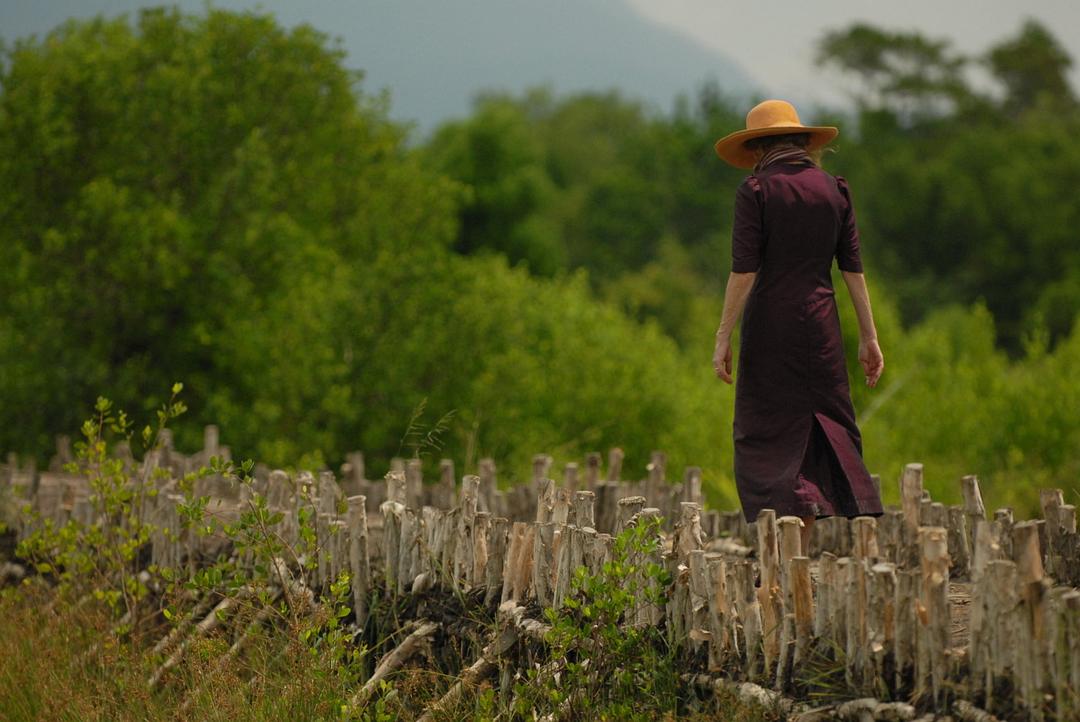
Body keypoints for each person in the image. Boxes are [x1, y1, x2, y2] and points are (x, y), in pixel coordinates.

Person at [711, 99, 885, 553]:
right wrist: (869, 337)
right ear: (804, 142)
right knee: (818, 426)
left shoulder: (756, 191)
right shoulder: (835, 190)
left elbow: (744, 271)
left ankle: (783, 555)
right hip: (822, 325)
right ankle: (796, 554)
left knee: (768, 431)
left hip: (772, 325)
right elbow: (853, 271)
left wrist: (722, 335)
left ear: (756, 149)